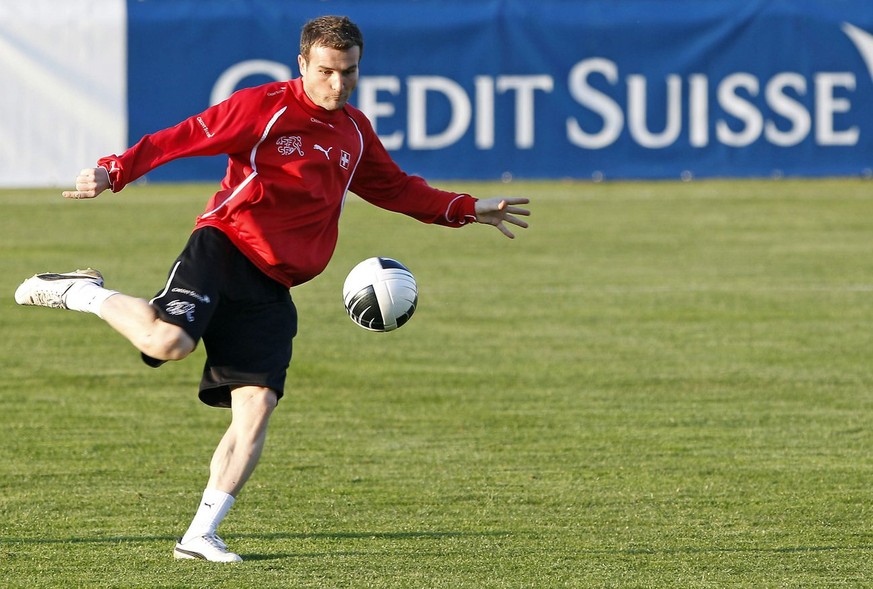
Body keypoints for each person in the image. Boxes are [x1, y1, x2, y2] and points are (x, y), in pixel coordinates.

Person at [14, 15, 529, 563]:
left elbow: (396, 188)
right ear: (303, 63)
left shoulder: (354, 131)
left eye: (349, 73)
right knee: (168, 343)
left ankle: (200, 535)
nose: (337, 85)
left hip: (274, 285)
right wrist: (115, 171)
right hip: (226, 247)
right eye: (327, 71)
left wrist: (469, 208)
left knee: (256, 404)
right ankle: (81, 292)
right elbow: (187, 135)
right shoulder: (266, 106)